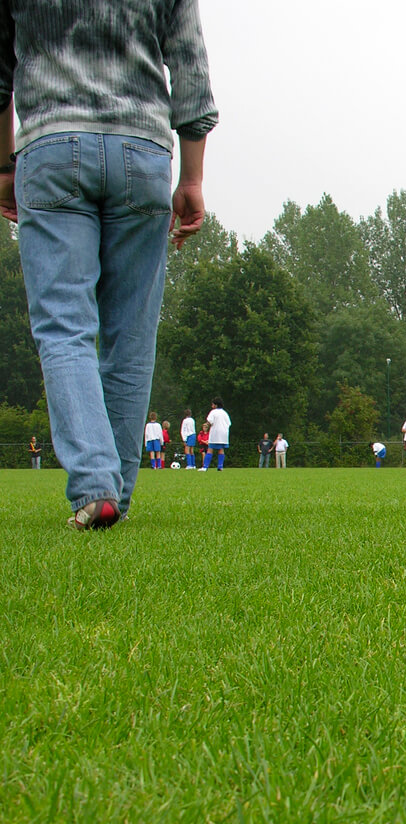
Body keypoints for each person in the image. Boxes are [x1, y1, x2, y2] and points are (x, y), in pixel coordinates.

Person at [0, 0, 216, 529]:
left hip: (49, 144)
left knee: (65, 325)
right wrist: (191, 178)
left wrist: (5, 164)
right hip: (142, 149)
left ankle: (97, 489)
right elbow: (190, 67)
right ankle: (113, 491)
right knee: (131, 334)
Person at [200, 398, 230, 471]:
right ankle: (220, 466)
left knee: (210, 449)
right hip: (224, 433)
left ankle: (205, 467)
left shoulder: (213, 412)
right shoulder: (224, 413)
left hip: (216, 432)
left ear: (216, 405)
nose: (212, 406)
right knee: (221, 449)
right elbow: (229, 423)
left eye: (213, 404)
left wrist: (206, 424)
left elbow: (210, 421)